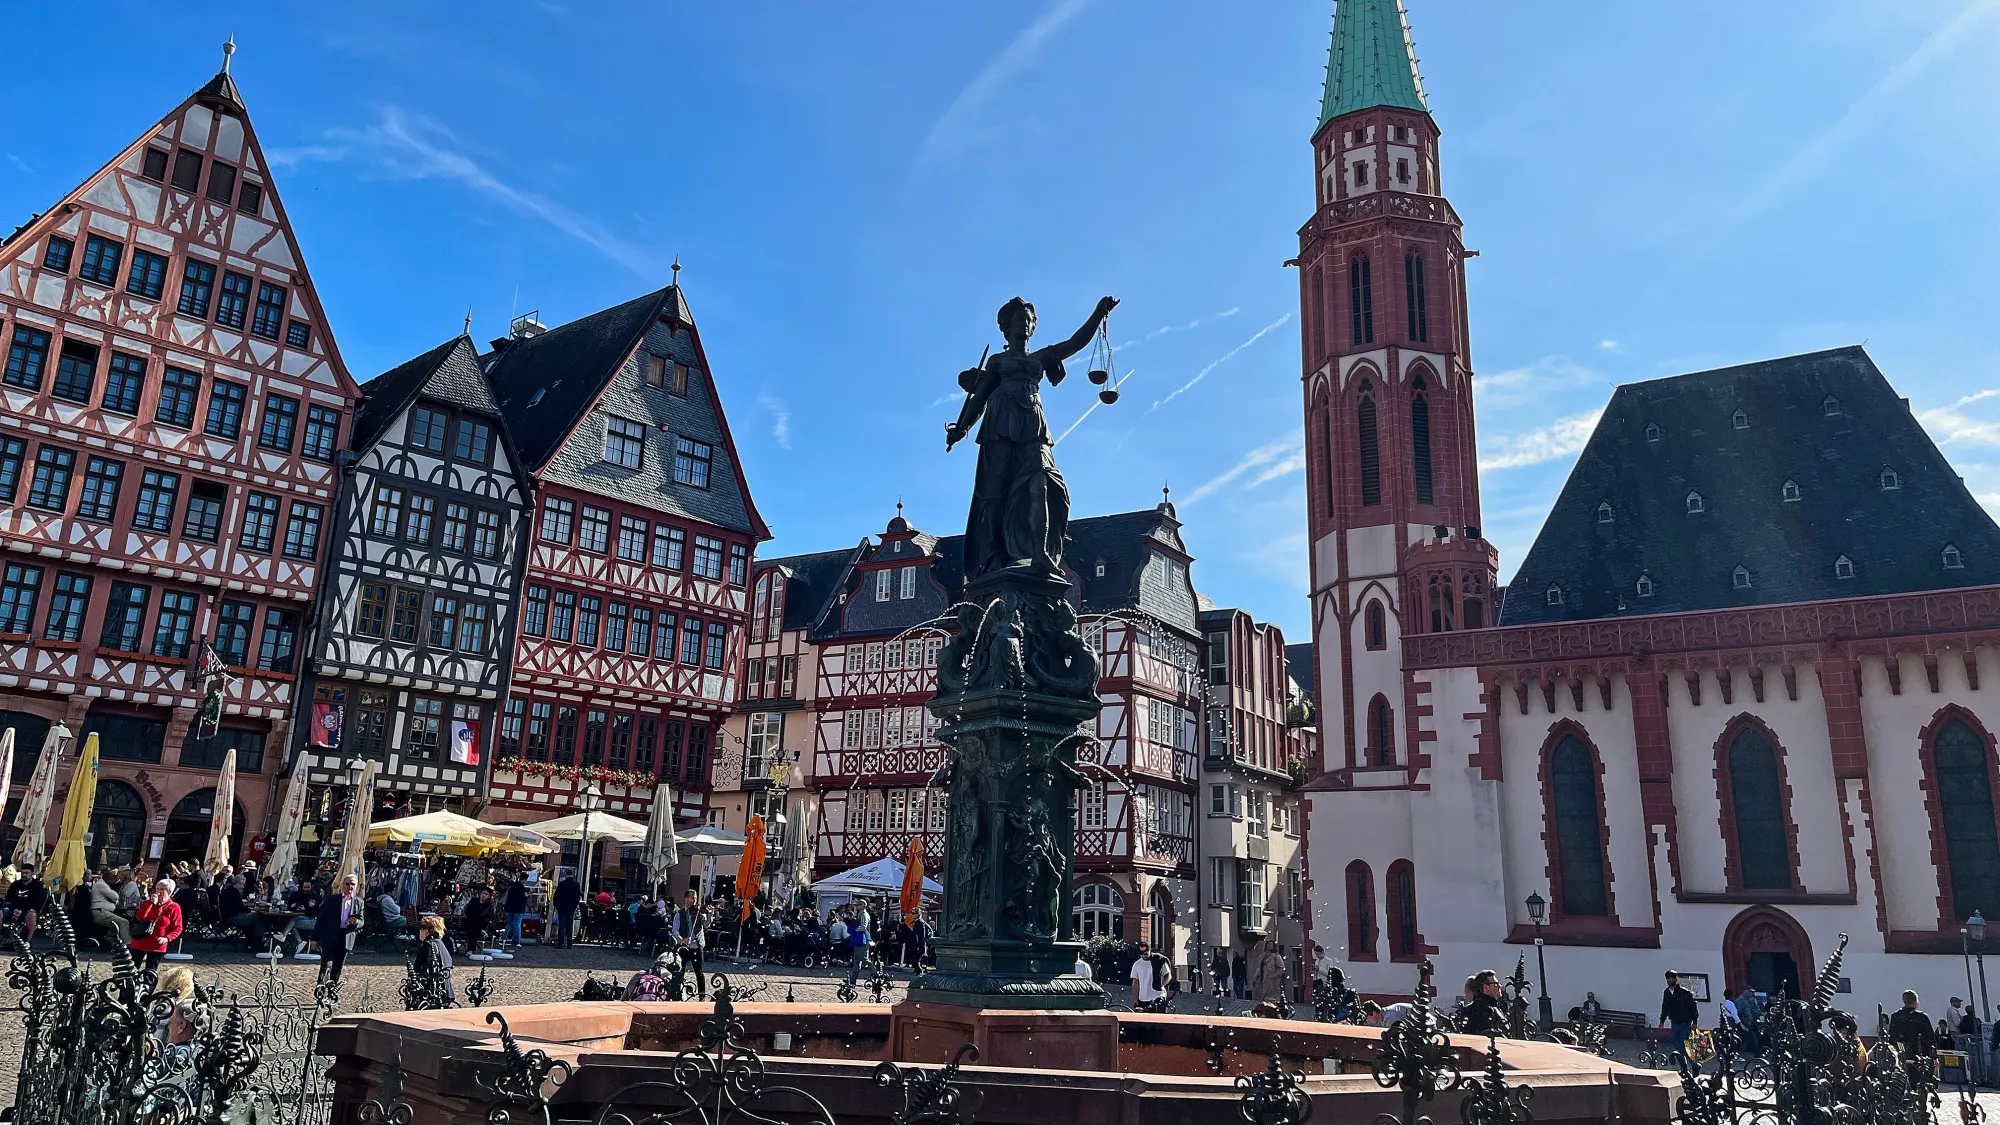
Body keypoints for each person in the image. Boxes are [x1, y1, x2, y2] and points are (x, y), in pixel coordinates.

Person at [315, 873, 364, 984]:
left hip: (346, 936)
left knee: (338, 966)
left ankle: (332, 990)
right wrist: (314, 937)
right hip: (331, 935)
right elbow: (321, 919)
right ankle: (320, 990)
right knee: (326, 964)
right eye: (347, 884)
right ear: (342, 885)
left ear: (356, 886)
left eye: (352, 884)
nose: (350, 886)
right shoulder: (333, 900)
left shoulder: (359, 902)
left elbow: (362, 921)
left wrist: (357, 923)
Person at [129, 877, 185, 972]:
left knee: (150, 972)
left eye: (162, 889)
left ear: (169, 891)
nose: (158, 892)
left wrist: (167, 938)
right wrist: (150, 904)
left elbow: (178, 927)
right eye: (157, 889)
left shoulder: (174, 907)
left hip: (157, 944)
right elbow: (139, 917)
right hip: (140, 940)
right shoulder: (148, 903)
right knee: (131, 970)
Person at [670, 889, 708, 999]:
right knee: (680, 971)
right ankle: (678, 993)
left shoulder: (699, 912)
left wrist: (708, 916)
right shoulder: (679, 914)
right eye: (692, 898)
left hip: (696, 946)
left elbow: (706, 925)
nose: (694, 900)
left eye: (695, 898)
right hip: (684, 947)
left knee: (699, 972)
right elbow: (675, 930)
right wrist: (682, 940)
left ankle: (702, 996)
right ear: (686, 899)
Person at [1658, 971, 1700, 1062]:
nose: (1669, 980)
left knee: (1683, 1043)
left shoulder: (1684, 992)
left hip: (1685, 1022)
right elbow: (1665, 1007)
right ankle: (1682, 1062)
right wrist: (1662, 1021)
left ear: (1675, 979)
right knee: (1676, 1043)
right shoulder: (1667, 992)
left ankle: (1689, 1063)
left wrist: (1695, 1021)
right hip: (1674, 1021)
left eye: (1671, 978)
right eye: (1668, 978)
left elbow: (1692, 1007)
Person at [416, 914, 455, 1003]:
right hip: (446, 990)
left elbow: (417, 967)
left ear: (427, 931)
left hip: (432, 992)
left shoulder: (427, 945)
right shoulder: (441, 944)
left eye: (421, 929)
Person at [4, 863, 47, 943]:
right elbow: (9, 899)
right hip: (13, 909)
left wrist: (22, 911)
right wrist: (14, 909)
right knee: (1, 912)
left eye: (26, 873)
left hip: (28, 911)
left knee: (32, 915)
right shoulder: (15, 885)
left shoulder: (37, 886)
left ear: (32, 873)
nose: (24, 875)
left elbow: (37, 903)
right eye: (22, 873)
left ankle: (27, 942)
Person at [1888, 990, 1936, 1058]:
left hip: (1900, 1054)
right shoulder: (1922, 1017)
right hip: (1920, 1055)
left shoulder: (1895, 1016)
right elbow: (1930, 1038)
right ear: (1915, 1001)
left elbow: (1892, 1037)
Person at [89, 871, 130, 946]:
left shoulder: (104, 885)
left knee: (117, 926)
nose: (115, 880)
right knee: (124, 922)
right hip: (100, 912)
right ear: (109, 878)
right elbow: (115, 896)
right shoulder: (101, 885)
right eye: (113, 878)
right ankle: (127, 945)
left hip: (102, 912)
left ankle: (112, 940)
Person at [1462, 971, 1507, 1035]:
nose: (1499, 986)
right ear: (1486, 987)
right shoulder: (1486, 1009)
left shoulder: (1491, 1007)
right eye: (1496, 984)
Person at [552, 872, 582, 949]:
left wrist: (556, 905)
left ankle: (561, 942)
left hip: (562, 907)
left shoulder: (562, 884)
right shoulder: (576, 885)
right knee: (569, 925)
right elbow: (578, 897)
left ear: (566, 875)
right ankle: (569, 943)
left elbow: (556, 895)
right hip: (571, 907)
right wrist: (574, 906)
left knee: (561, 925)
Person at [1131, 941, 1163, 1007]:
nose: (1143, 956)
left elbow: (1168, 975)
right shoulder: (1137, 964)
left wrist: (1162, 985)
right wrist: (1135, 999)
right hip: (1143, 998)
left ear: (1150, 951)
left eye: (1145, 954)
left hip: (1158, 996)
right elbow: (1135, 983)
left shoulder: (1158, 960)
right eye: (1141, 954)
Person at [845, 905, 871, 986]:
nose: (856, 907)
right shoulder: (860, 914)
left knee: (863, 959)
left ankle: (875, 972)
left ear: (863, 906)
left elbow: (863, 927)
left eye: (858, 905)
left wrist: (854, 930)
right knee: (856, 961)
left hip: (862, 939)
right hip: (859, 939)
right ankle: (852, 980)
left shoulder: (864, 915)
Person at [1735, 988, 1764, 1054]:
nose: (1752, 994)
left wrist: (1760, 1014)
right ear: (1746, 991)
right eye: (1750, 992)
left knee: (1754, 1038)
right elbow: (1737, 1013)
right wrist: (1741, 1024)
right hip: (1745, 1023)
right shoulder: (1739, 1001)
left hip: (1751, 1022)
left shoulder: (1749, 1000)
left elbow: (1752, 1010)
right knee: (1752, 1039)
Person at [504, 878, 529, 946]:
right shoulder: (522, 888)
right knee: (517, 924)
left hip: (510, 908)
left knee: (509, 924)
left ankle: (504, 939)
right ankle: (517, 940)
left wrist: (506, 908)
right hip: (519, 909)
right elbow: (523, 899)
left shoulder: (512, 887)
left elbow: (508, 898)